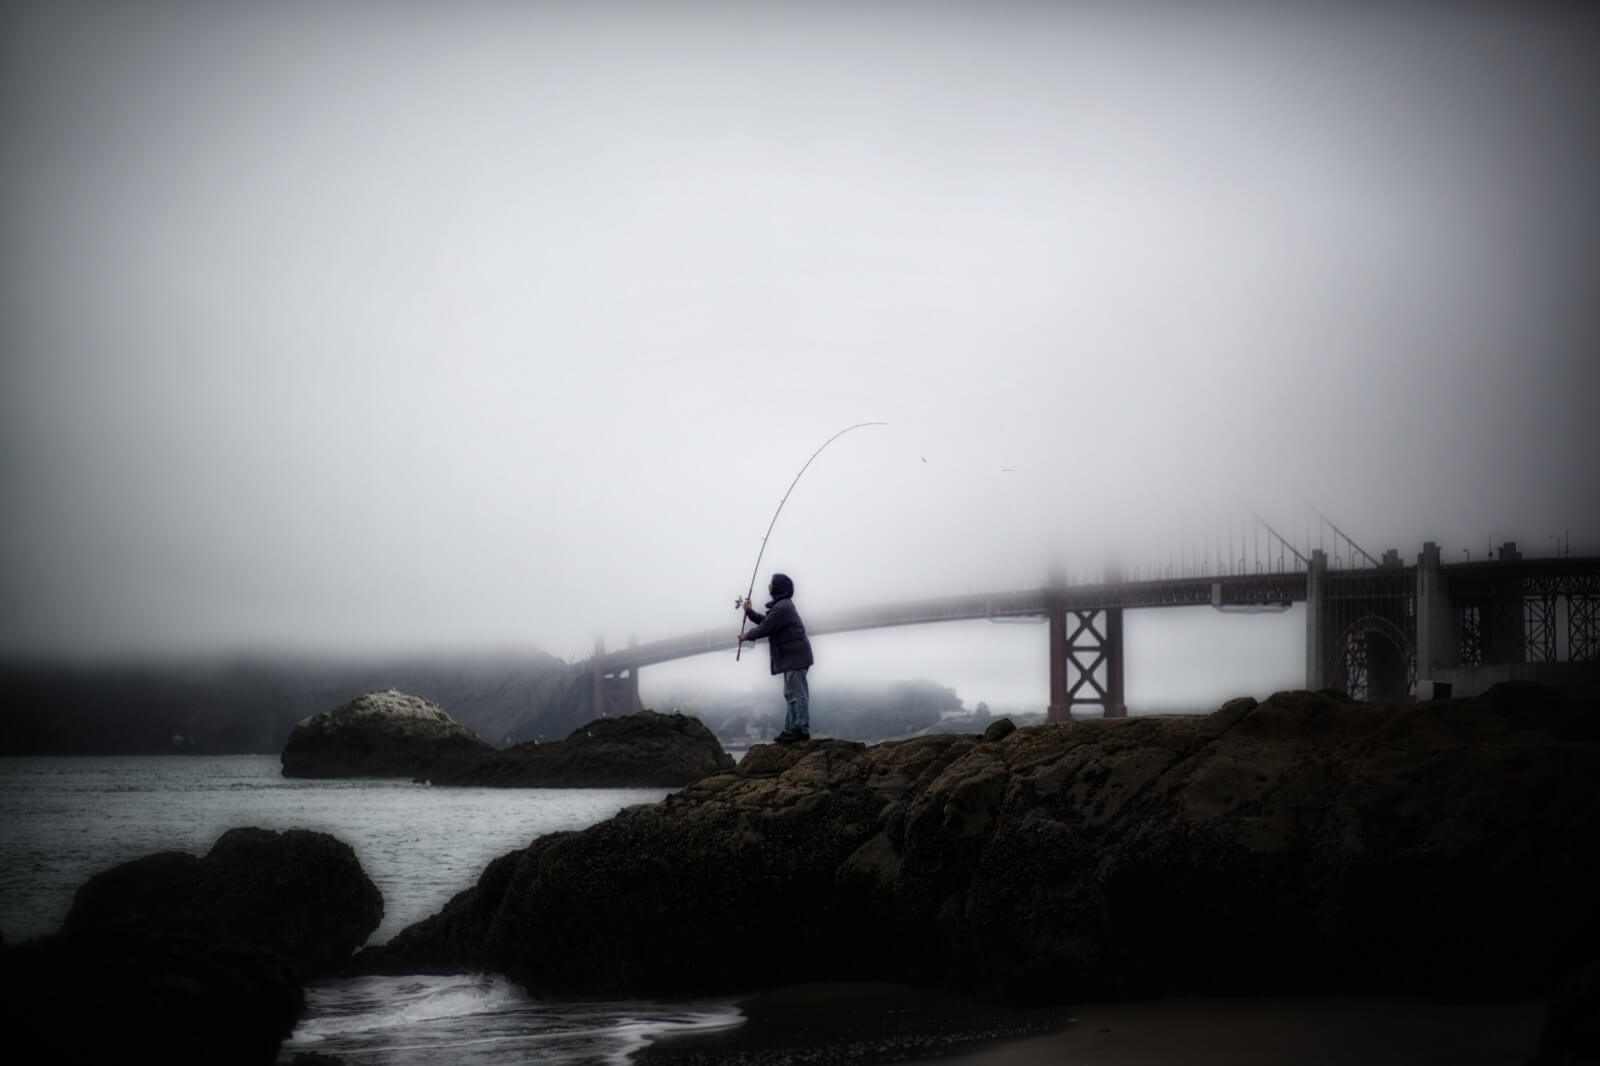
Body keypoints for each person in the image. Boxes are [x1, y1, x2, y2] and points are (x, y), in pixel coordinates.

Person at [737, 572, 814, 743]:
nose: (769, 586)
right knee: (789, 693)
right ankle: (790, 729)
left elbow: (766, 628)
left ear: (777, 587)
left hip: (796, 656)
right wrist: (750, 612)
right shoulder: (782, 607)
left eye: (771, 583)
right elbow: (768, 622)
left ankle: (801, 729)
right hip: (792, 657)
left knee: (797, 694)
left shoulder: (783, 607)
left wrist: (746, 636)